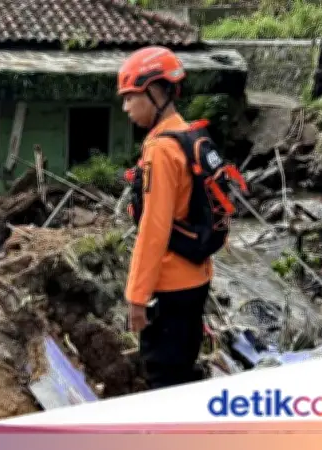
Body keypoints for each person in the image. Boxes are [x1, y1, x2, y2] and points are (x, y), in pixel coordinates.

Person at [117, 46, 213, 389]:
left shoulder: (160, 150)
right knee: (183, 366)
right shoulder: (189, 135)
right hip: (197, 276)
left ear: (156, 92)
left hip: (171, 288)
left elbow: (153, 229)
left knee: (163, 378)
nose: (126, 107)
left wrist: (137, 295)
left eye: (130, 97)